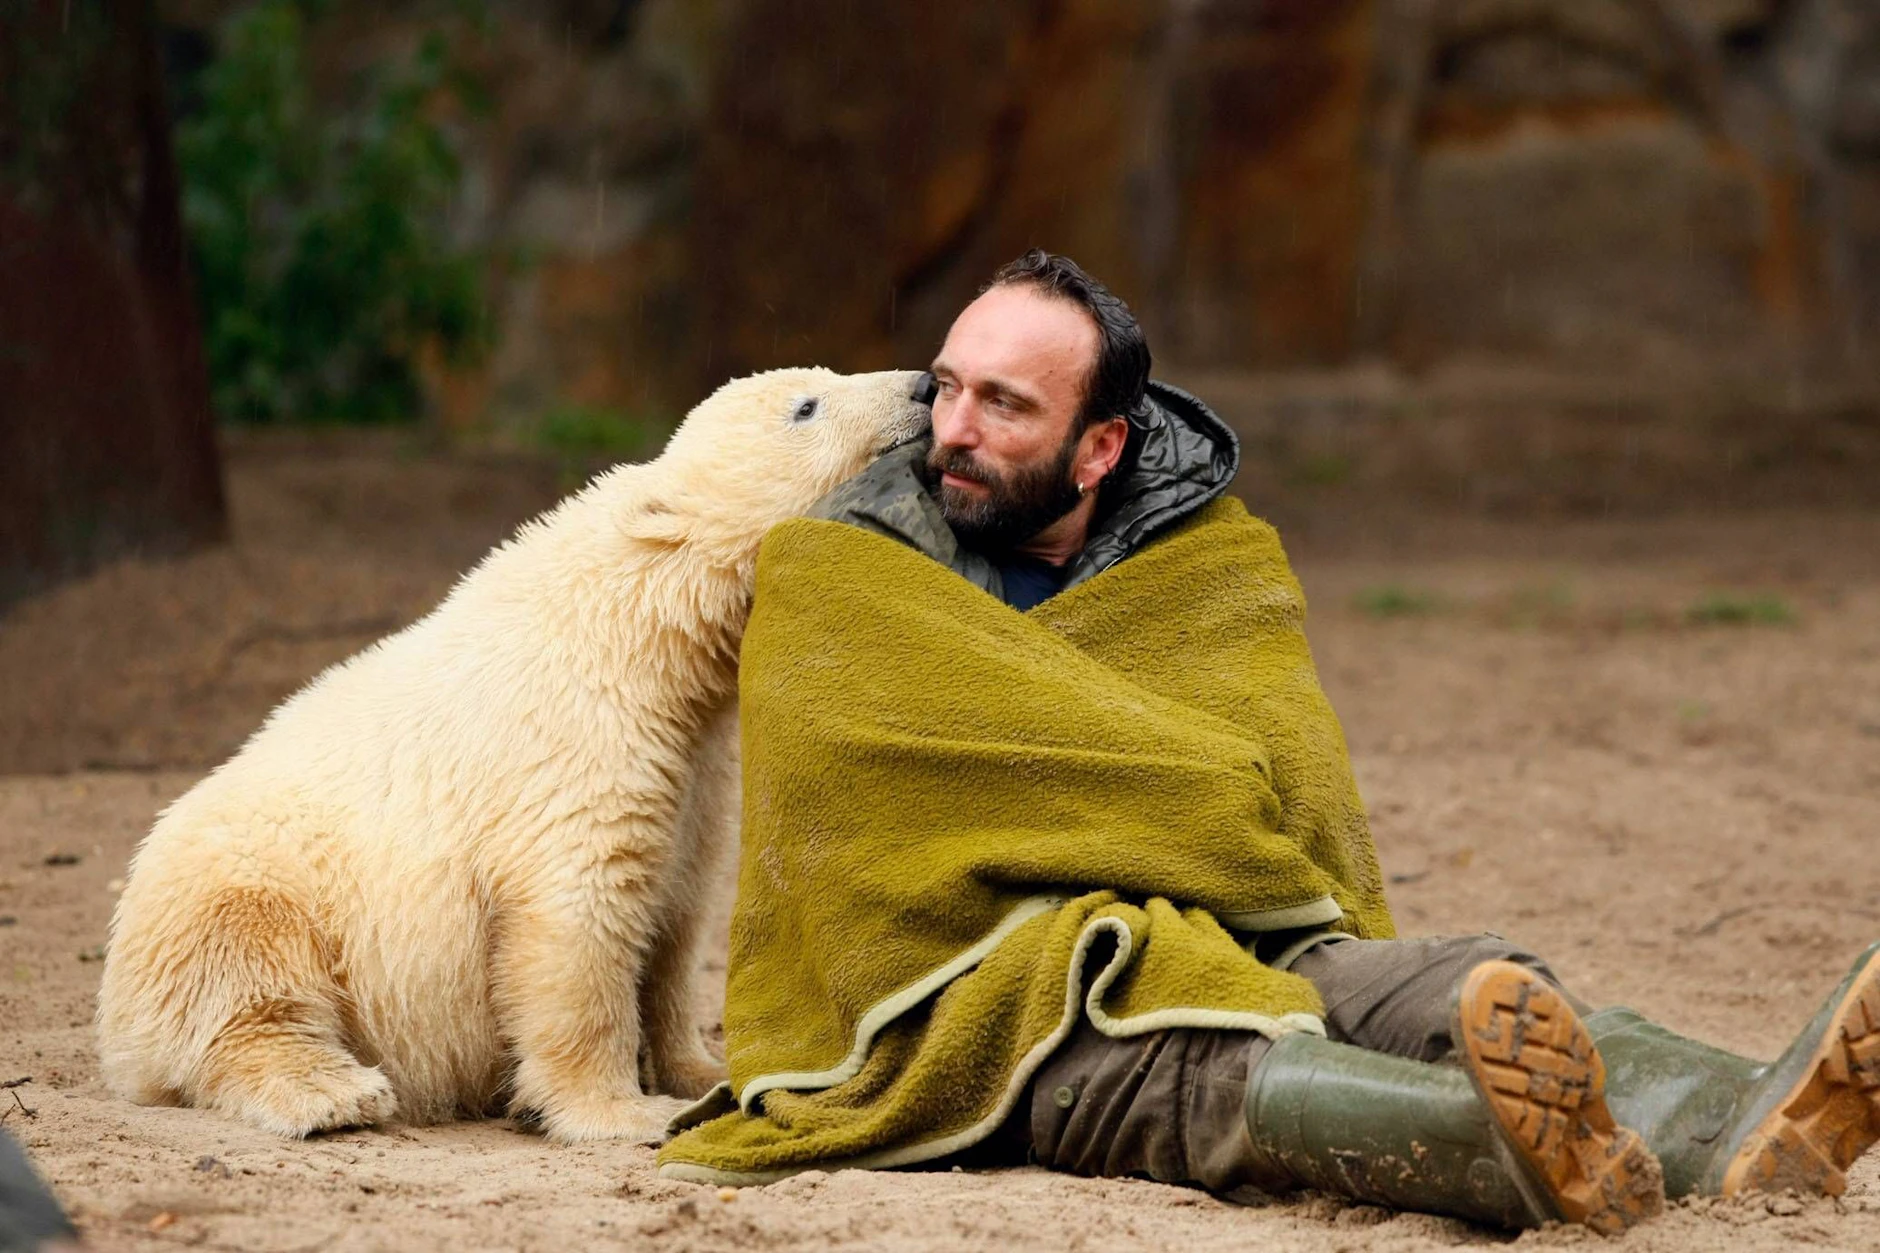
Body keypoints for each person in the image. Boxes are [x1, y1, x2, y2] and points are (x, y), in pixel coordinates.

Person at [659, 251, 1880, 1231]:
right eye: (947, 385)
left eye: (1005, 404)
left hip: (1233, 917)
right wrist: (1166, 804)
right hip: (990, 989)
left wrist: (1176, 820)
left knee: (1453, 984)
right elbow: (857, 823)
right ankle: (1487, 1151)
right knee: (1180, 1068)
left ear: (1099, 447)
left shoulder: (1212, 563)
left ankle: (1746, 1118)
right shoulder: (835, 568)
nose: (952, 426)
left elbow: (1269, 802)